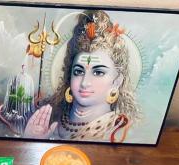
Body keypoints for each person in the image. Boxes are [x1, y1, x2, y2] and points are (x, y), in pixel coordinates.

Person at [24, 10, 140, 142]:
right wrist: (31, 139)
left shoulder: (117, 131)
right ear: (69, 74)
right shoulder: (48, 118)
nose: (85, 82)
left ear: (117, 81)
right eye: (78, 72)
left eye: (98, 72)